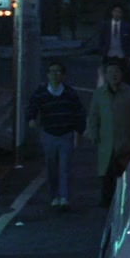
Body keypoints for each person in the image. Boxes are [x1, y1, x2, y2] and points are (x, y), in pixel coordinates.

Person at [26, 61, 86, 210]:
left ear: (63, 75)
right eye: (52, 71)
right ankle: (54, 196)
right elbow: (32, 107)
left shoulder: (70, 93)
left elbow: (79, 112)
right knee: (51, 167)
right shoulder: (41, 93)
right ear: (47, 75)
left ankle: (64, 197)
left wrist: (81, 130)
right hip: (49, 134)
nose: (55, 75)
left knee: (65, 167)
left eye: (58, 72)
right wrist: (31, 119)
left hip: (66, 134)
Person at [85, 58, 130, 207]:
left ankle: (129, 202)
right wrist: (93, 132)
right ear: (106, 75)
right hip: (107, 141)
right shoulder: (100, 94)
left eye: (117, 72)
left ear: (122, 74)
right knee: (107, 174)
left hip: (127, 140)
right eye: (110, 72)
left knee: (127, 173)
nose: (114, 75)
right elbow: (93, 115)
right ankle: (108, 203)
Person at [98, 4, 130, 85]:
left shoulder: (126, 26)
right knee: (109, 74)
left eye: (119, 12)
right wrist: (102, 51)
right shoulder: (105, 25)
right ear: (112, 12)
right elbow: (101, 39)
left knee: (123, 75)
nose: (117, 14)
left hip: (122, 54)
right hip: (109, 54)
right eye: (115, 11)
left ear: (122, 14)